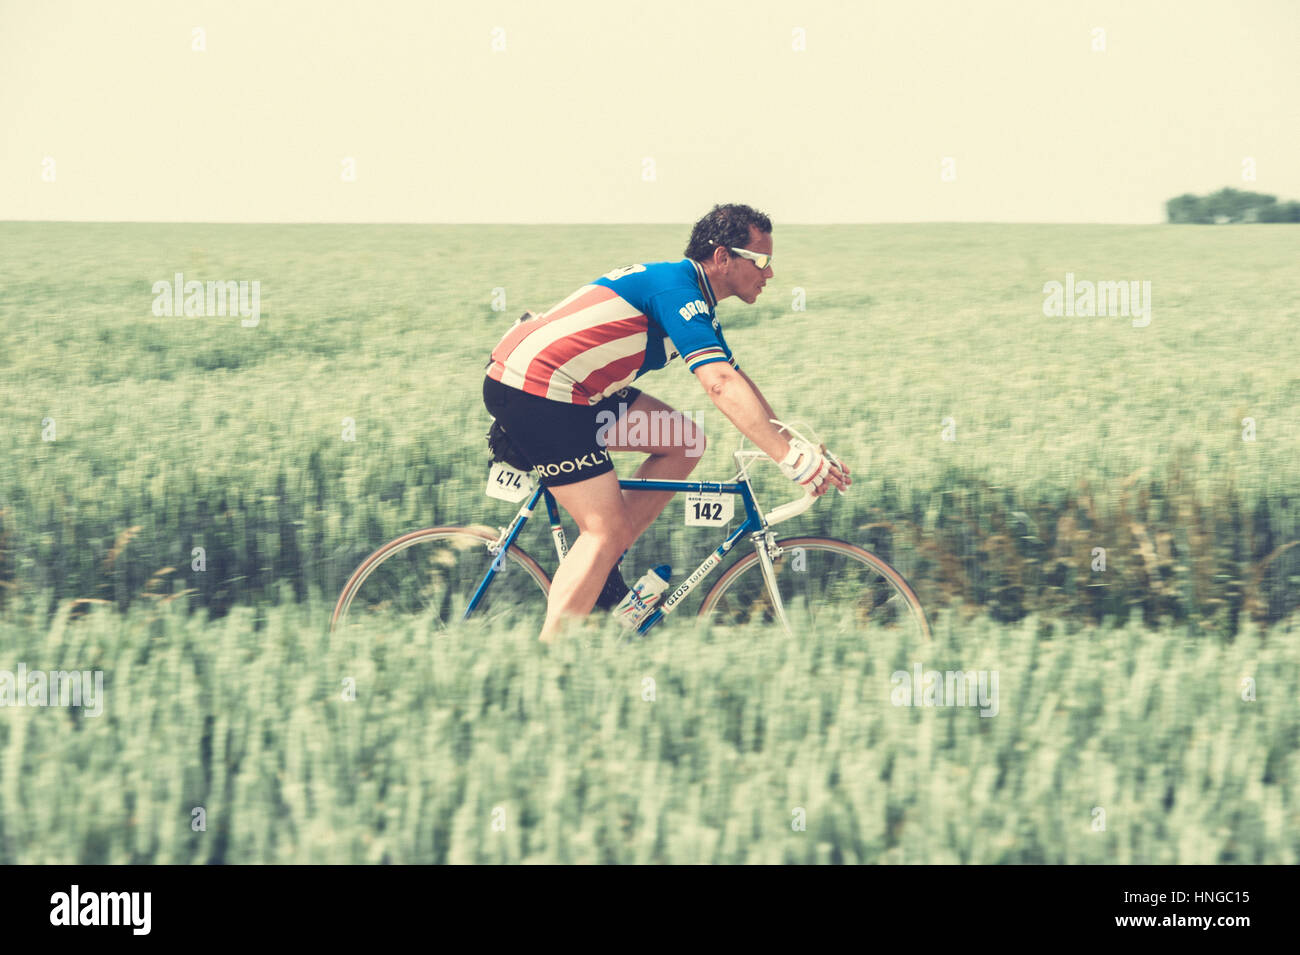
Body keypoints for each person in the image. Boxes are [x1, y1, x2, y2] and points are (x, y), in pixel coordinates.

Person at [483, 203, 850, 642]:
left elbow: (737, 380)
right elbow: (718, 384)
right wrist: (789, 460)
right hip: (538, 390)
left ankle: (602, 570)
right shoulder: (679, 292)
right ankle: (546, 665)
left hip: (572, 390)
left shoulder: (692, 294)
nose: (769, 274)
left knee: (684, 441)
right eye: (762, 261)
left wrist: (795, 446)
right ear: (722, 257)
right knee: (604, 528)